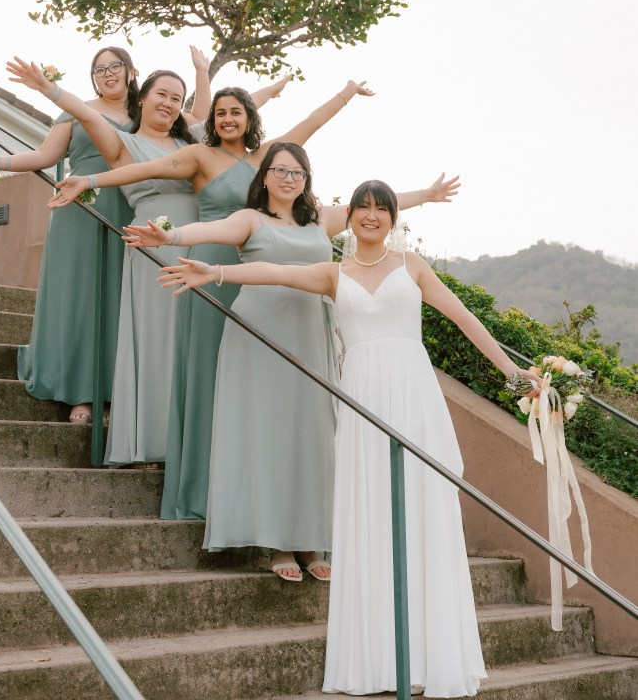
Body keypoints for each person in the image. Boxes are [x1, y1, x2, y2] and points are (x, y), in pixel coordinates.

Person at [158, 180, 542, 697]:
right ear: (351, 216)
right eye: (363, 207)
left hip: (414, 397)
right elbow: (275, 271)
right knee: (370, 514)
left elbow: (464, 319)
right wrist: (216, 272)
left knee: (423, 511)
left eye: (381, 208)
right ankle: (377, 662)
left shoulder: (413, 267)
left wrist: (514, 374)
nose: (371, 215)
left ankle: (431, 657)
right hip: (363, 400)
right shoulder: (332, 274)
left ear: (393, 218)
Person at [123, 152, 460, 583]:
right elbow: (209, 230)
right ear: (264, 177)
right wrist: (171, 236)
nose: (288, 177)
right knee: (268, 435)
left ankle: (312, 538)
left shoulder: (321, 218)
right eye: (279, 170)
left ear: (306, 178)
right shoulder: (249, 218)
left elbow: (372, 209)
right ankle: (277, 541)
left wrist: (427, 195)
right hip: (260, 333)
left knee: (314, 436)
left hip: (311, 335)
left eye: (297, 171)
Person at [47, 79, 374, 517]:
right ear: (212, 121)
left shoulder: (266, 158)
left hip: (257, 275)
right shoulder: (199, 155)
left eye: (236, 112)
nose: (227, 119)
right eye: (220, 113)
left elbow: (309, 126)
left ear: (250, 118)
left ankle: (255, 490)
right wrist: (88, 179)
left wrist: (345, 93)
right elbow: (144, 170)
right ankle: (202, 485)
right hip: (210, 267)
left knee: (254, 381)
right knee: (207, 374)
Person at [5, 55, 292, 466]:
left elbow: (231, 112)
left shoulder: (191, 143)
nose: (169, 103)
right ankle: (155, 443)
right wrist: (47, 88)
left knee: (195, 346)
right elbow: (86, 114)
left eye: (177, 98)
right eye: (162, 94)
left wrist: (253, 86)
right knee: (159, 344)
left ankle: (200, 440)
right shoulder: (123, 142)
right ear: (142, 98)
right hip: (156, 245)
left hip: (202, 245)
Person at [0, 46, 142, 424]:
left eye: (115, 66)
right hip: (79, 210)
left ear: (131, 70)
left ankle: (113, 393)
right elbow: (45, 156)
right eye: (99, 69)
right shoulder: (75, 109)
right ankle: (81, 394)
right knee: (80, 298)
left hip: (128, 211)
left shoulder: (145, 115)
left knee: (119, 300)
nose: (108, 74)